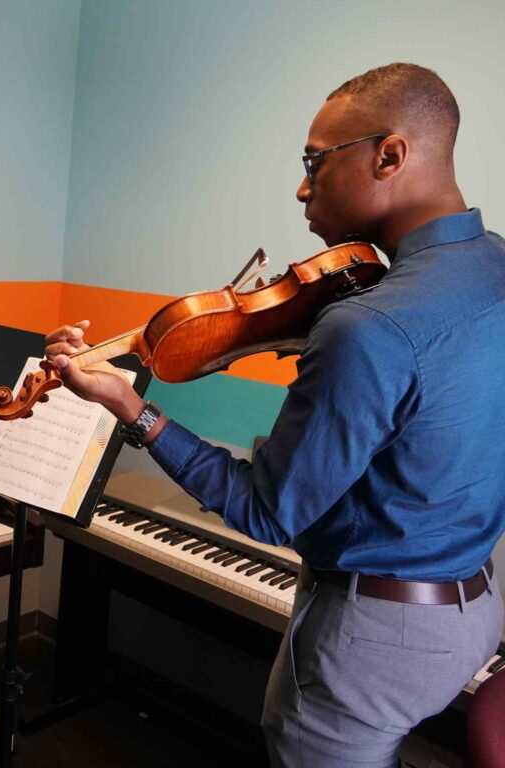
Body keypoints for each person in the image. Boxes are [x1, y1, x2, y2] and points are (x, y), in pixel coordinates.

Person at [45, 63, 505, 767]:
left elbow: (268, 515)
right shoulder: (492, 266)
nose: (301, 186)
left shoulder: (369, 327)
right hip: (473, 608)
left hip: (374, 632)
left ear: (390, 155)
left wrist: (131, 408)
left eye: (314, 162)